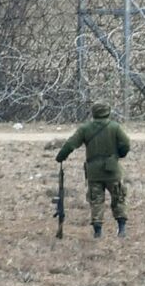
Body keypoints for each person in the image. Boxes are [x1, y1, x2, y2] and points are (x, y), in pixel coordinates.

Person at [56, 101, 131, 239]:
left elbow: (71, 144)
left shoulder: (85, 128)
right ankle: (121, 229)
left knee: (96, 201)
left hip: (93, 172)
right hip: (112, 170)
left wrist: (61, 156)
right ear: (108, 112)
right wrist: (120, 154)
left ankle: (98, 232)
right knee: (118, 198)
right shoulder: (115, 127)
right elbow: (126, 143)